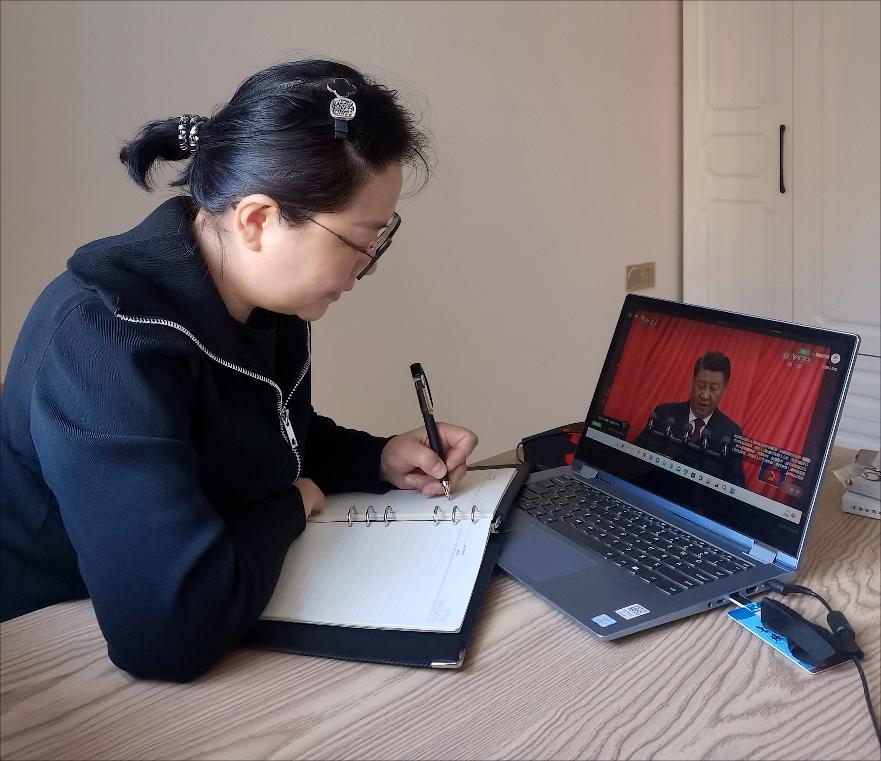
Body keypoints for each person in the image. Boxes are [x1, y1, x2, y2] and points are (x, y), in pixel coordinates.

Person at [0, 60, 478, 681]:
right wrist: (290, 505)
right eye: (361, 241)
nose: (368, 266)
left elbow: (257, 440)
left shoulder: (263, 301)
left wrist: (378, 458)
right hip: (54, 642)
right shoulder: (104, 337)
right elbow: (165, 635)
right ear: (256, 220)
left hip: (220, 597)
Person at [633, 351, 745, 486]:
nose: (705, 395)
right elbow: (633, 459)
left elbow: (735, 488)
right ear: (693, 380)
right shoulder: (664, 414)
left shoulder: (731, 434)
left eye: (713, 389)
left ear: (725, 387)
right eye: (701, 386)